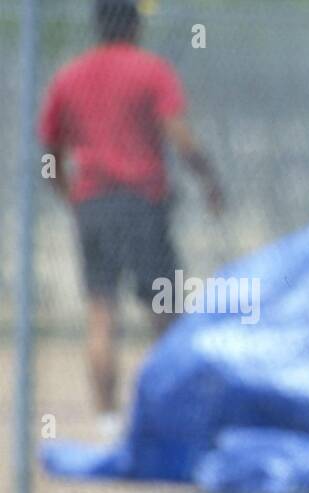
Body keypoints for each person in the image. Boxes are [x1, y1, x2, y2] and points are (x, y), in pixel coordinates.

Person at [38, 0, 223, 440]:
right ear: (134, 26)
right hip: (143, 203)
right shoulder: (151, 70)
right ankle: (175, 409)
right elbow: (179, 134)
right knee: (164, 311)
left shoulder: (70, 75)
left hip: (94, 203)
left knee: (101, 313)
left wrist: (68, 193)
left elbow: (49, 151)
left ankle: (106, 418)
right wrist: (208, 177)